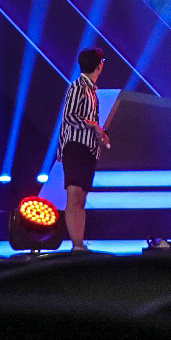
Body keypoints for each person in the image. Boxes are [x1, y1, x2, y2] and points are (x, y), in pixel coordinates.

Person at [56, 47, 110, 250]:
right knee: (74, 194)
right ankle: (77, 245)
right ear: (99, 65)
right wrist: (93, 126)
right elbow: (69, 116)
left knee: (81, 198)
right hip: (75, 146)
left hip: (89, 149)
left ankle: (79, 244)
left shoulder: (91, 90)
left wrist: (100, 134)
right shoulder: (77, 87)